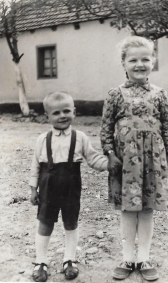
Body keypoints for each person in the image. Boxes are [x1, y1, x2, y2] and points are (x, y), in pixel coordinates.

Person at [100, 36, 168, 281]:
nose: (140, 64)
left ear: (153, 61)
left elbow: (167, 129)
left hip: (153, 163)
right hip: (125, 163)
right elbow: (105, 128)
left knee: (147, 210)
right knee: (127, 210)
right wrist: (110, 154)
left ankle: (143, 258)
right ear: (124, 63)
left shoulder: (160, 94)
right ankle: (127, 258)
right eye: (133, 60)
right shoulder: (115, 94)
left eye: (145, 59)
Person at [29, 91, 108, 282]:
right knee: (45, 223)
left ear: (74, 112)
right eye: (56, 113)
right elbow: (35, 165)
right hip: (48, 185)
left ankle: (69, 259)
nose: (62, 116)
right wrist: (33, 189)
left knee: (70, 222)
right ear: (47, 116)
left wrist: (110, 165)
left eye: (66, 111)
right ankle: (41, 261)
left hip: (71, 184)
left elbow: (93, 158)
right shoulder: (42, 139)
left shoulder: (80, 137)